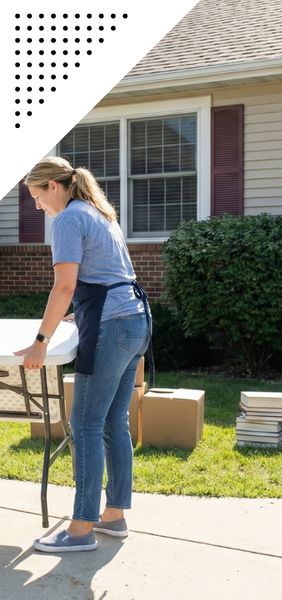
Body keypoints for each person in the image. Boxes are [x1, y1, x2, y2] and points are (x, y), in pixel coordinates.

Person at [15, 156, 151, 553]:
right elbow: (108, 274)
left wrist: (41, 340)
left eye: (37, 197)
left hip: (113, 325)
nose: (37, 206)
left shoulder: (70, 220)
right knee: (112, 423)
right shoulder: (98, 212)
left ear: (53, 187)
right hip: (135, 320)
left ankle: (79, 530)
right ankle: (115, 516)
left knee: (87, 425)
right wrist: (83, 312)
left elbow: (63, 287)